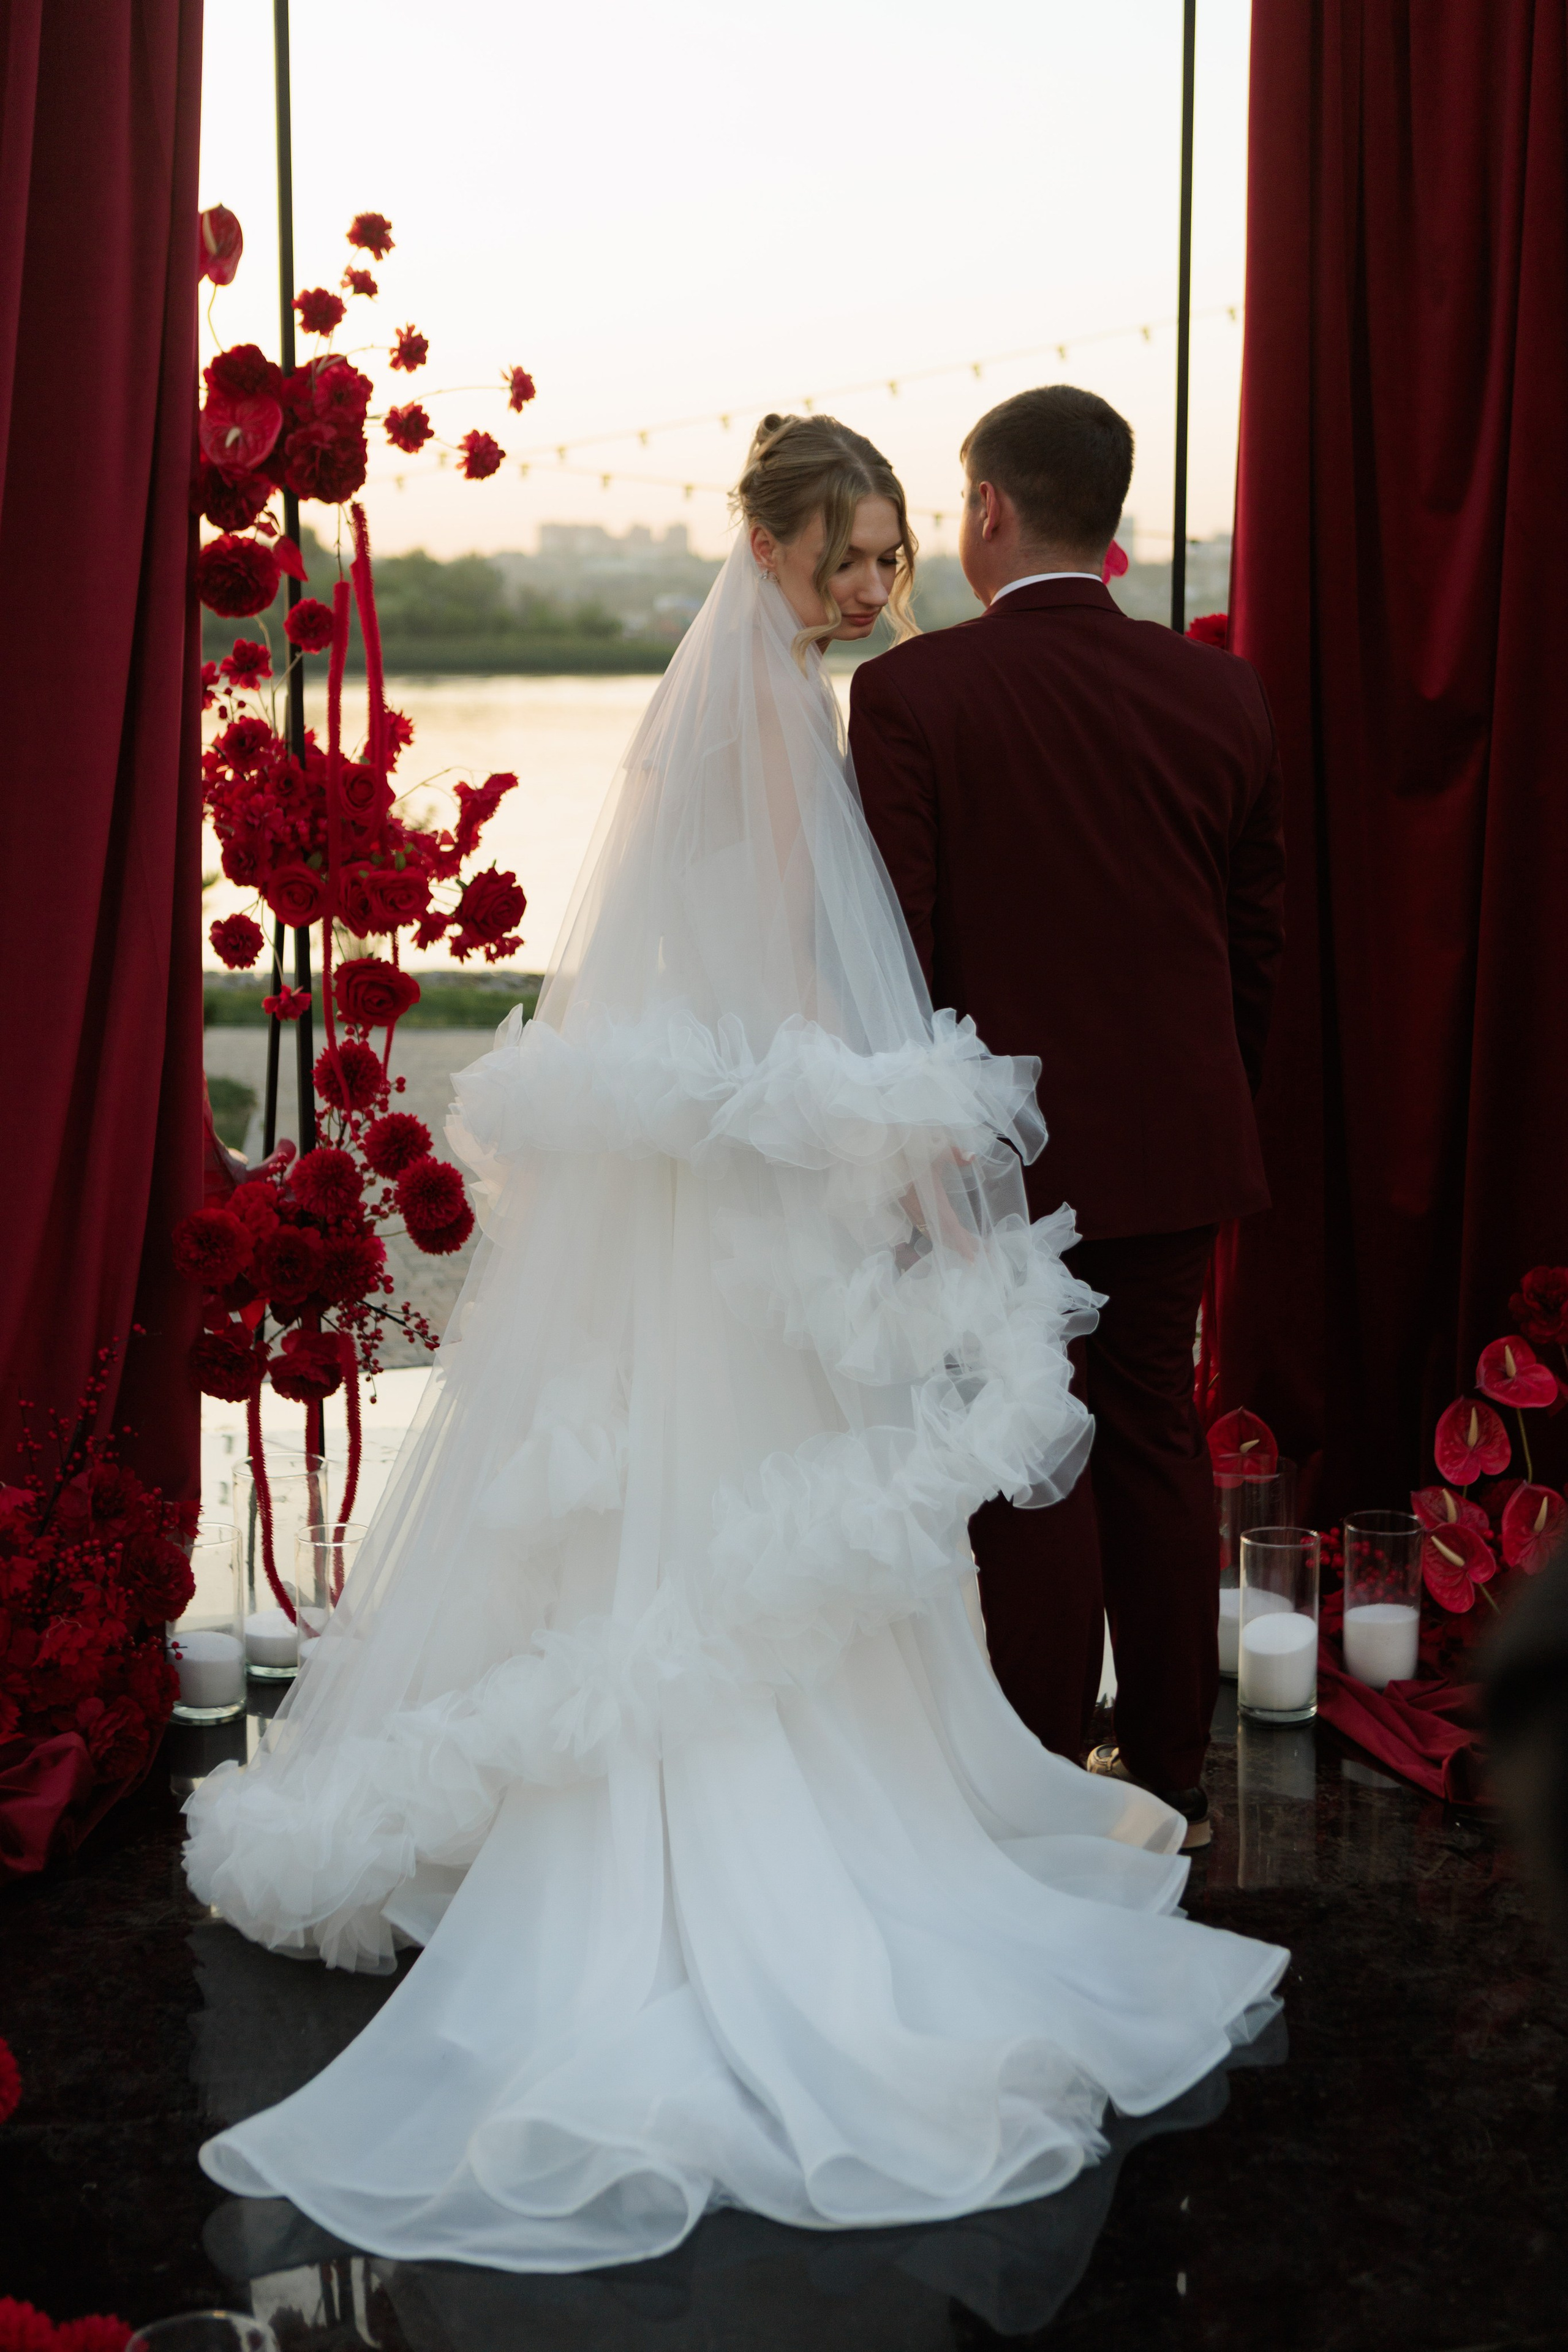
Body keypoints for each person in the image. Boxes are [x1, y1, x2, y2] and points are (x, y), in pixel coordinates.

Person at [184, 413, 1286, 2271]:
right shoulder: (878, 712)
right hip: (887, 1134)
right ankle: (1117, 1767)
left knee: (730, 1479)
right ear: (781, 546)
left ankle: (1020, 1756)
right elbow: (813, 960)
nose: (878, 588)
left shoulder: (828, 700)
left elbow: (833, 944)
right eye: (853, 557)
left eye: (892, 554)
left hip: (755, 1137)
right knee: (999, 1457)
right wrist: (872, 1126)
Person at [850, 386, 1286, 1850]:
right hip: (1178, 1147)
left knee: (1020, 1452)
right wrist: (1201, 1098)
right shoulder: (1219, 693)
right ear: (1111, 518)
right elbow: (1253, 946)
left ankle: (1037, 1778)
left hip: (990, 1162)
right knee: (1150, 1432)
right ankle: (1167, 1770)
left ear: (985, 509)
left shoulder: (914, 696)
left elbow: (895, 953)